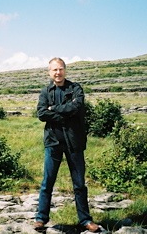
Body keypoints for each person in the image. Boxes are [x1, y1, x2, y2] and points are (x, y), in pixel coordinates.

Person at [34, 57, 99, 232]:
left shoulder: (76, 88)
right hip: (53, 143)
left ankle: (85, 220)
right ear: (49, 72)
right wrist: (64, 113)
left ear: (65, 70)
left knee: (79, 184)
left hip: (74, 142)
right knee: (47, 182)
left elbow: (76, 108)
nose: (58, 72)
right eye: (54, 70)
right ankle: (41, 218)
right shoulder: (45, 91)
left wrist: (53, 109)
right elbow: (41, 113)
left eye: (60, 69)